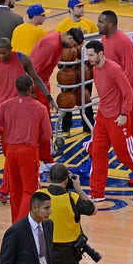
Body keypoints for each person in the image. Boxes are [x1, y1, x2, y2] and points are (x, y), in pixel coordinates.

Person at [0, 38, 55, 203]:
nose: (1, 56)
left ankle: (7, 190)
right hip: (2, 112)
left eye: (4, 52)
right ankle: (12, 188)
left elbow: (36, 79)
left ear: (11, 49)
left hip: (21, 110)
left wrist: (49, 97)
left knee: (14, 153)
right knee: (10, 154)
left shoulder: (22, 59)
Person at [82, 41, 133, 201]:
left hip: (118, 118)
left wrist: (124, 113)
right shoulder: (95, 68)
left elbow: (128, 92)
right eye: (87, 55)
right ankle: (96, 192)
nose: (88, 58)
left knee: (125, 154)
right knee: (97, 152)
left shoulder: (114, 69)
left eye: (91, 55)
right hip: (102, 116)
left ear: (100, 54)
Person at [0, 75, 52, 223]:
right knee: (30, 190)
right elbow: (47, 135)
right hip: (28, 151)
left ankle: (15, 224)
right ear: (31, 88)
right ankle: (22, 225)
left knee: (15, 190)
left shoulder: (6, 104)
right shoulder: (39, 107)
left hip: (10, 151)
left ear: (17, 88)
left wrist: (5, 131)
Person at [97, 10, 133, 159]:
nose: (97, 24)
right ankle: (129, 151)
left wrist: (122, 89)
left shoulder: (123, 41)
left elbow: (130, 68)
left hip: (130, 88)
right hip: (116, 90)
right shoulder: (104, 38)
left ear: (110, 24)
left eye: (100, 22)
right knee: (122, 123)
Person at [30, 28, 85, 172]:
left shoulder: (58, 36)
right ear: (69, 37)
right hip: (36, 85)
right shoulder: (51, 45)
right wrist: (32, 91)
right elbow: (33, 69)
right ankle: (41, 160)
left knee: (44, 124)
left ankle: (46, 158)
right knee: (42, 125)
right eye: (72, 44)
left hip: (41, 83)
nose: (72, 48)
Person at [39, 164, 97, 264]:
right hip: (68, 252)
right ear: (66, 181)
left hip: (44, 249)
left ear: (49, 178)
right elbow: (93, 210)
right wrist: (78, 189)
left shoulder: (38, 196)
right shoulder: (73, 199)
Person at [55, 0, 97, 136]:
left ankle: (88, 125)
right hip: (69, 69)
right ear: (70, 9)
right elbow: (59, 48)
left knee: (86, 97)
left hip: (85, 67)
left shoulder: (90, 24)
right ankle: (66, 128)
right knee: (67, 98)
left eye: (82, 6)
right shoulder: (62, 26)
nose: (82, 9)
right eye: (78, 6)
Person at [0, 191, 53, 264]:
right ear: (34, 208)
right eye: (46, 208)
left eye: (50, 208)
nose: (50, 211)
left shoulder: (49, 224)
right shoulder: (16, 231)